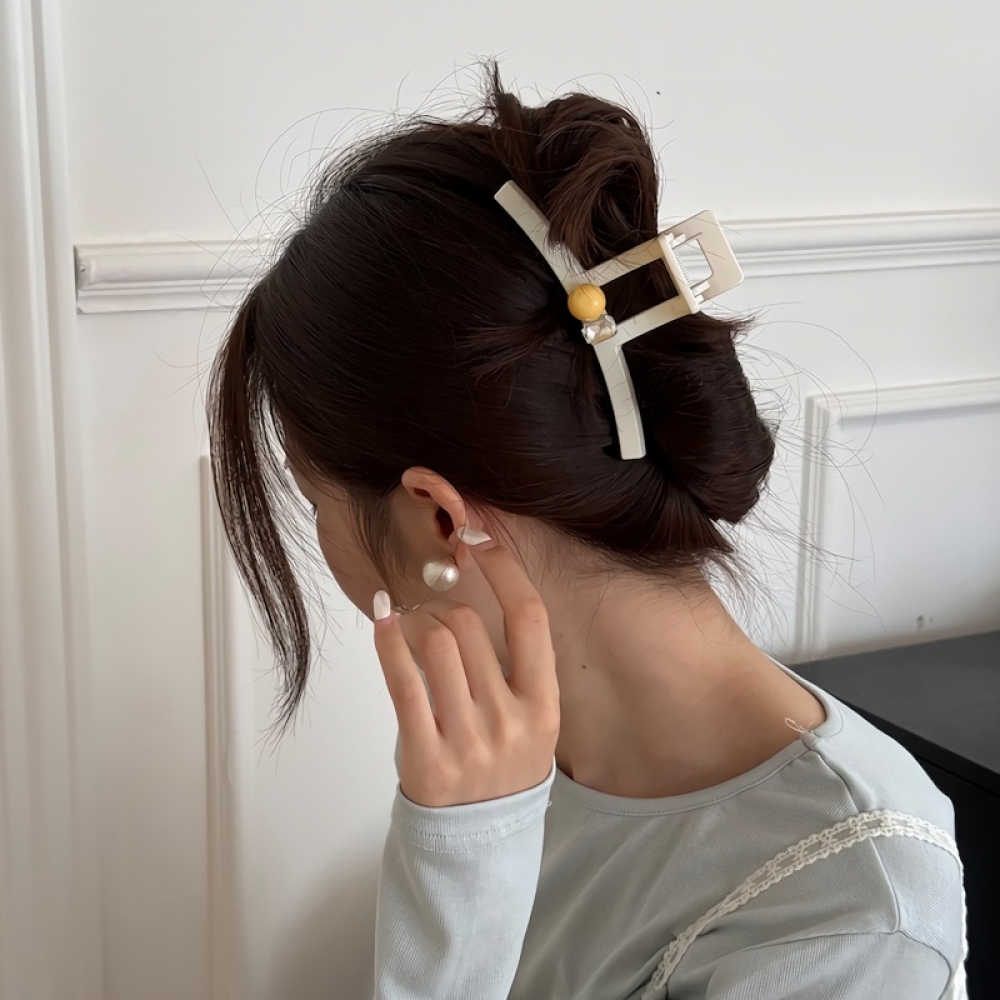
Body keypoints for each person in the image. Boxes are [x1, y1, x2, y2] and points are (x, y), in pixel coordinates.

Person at [207, 68, 968, 999]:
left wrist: (459, 867)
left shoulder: (851, 920)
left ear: (439, 519)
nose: (322, 540)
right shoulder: (515, 760)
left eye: (314, 501)